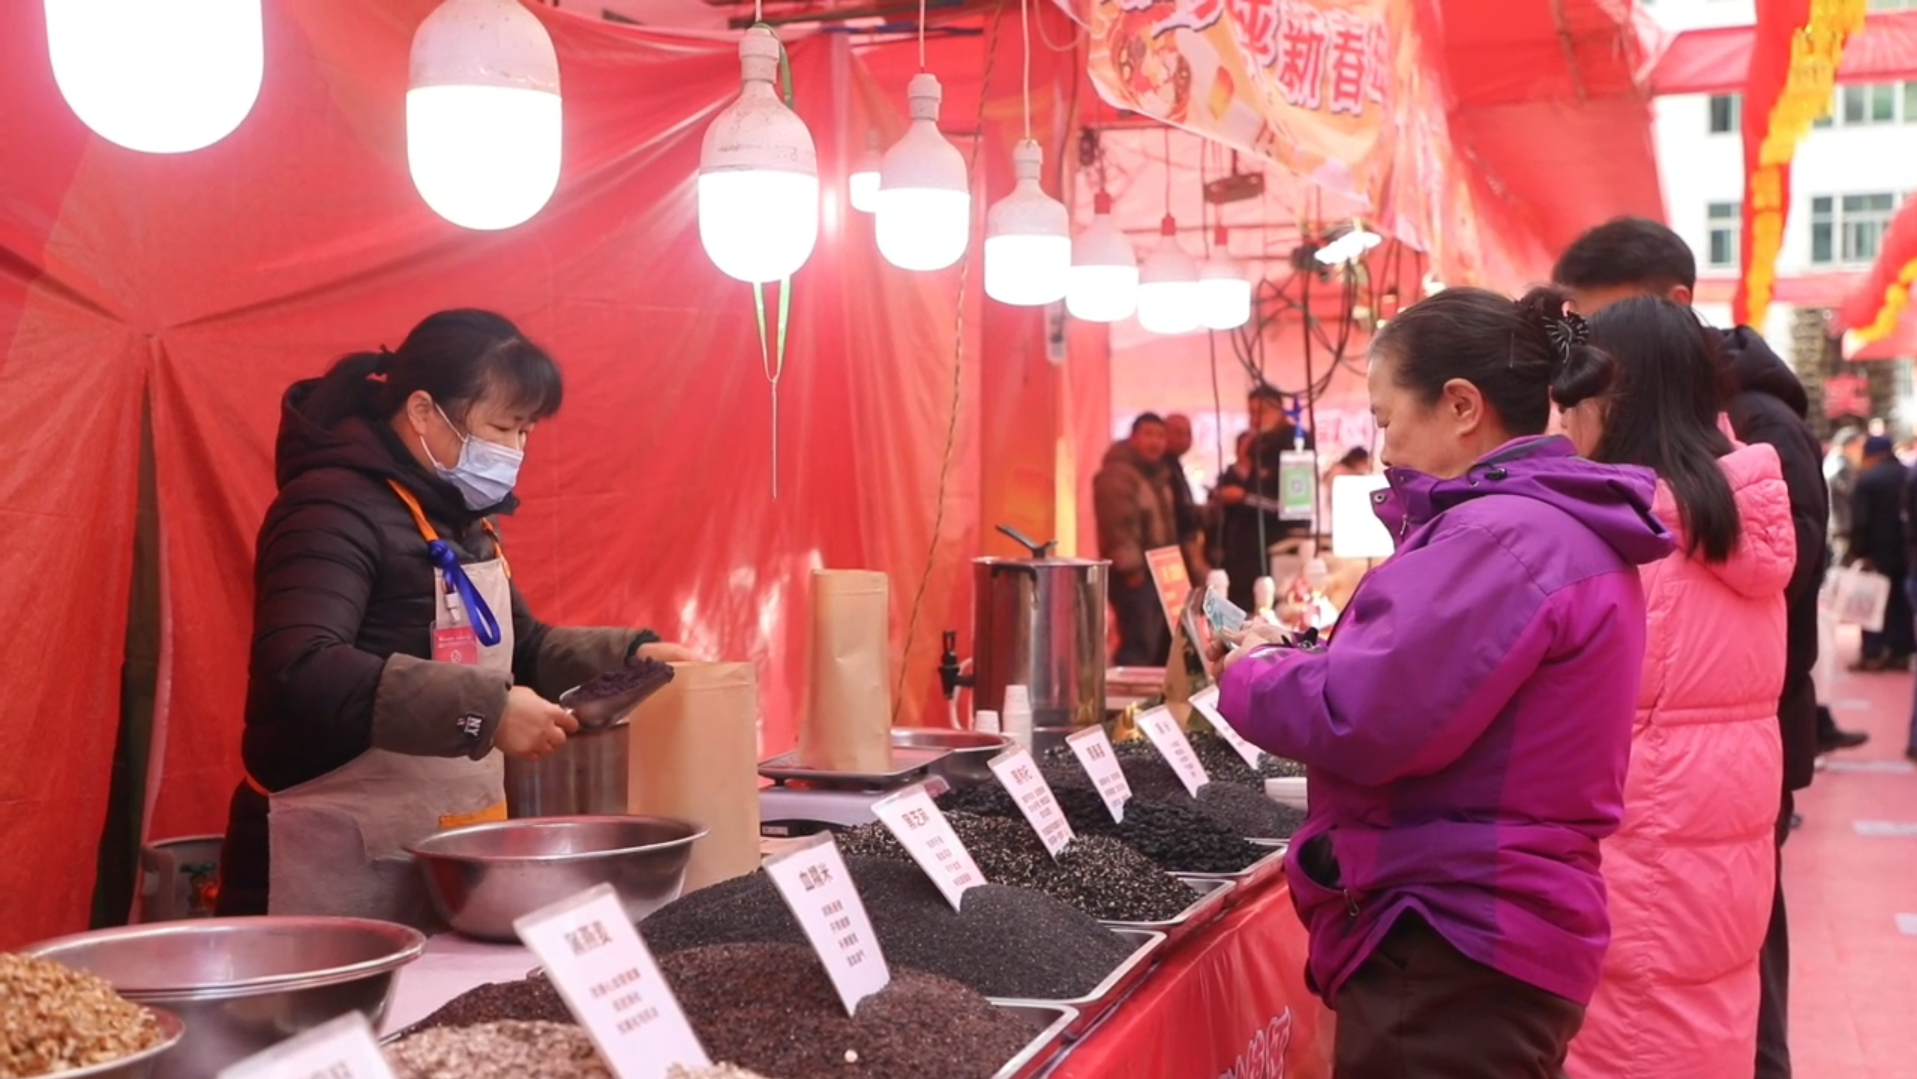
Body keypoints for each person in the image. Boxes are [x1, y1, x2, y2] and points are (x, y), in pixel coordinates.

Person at [1210, 287, 1673, 1078]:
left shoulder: (1500, 535)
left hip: (1451, 931)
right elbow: (1424, 683)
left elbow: (1366, 715)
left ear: (1460, 405)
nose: (1383, 447)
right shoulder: (1544, 525)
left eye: (1386, 418)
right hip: (1491, 924)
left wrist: (1252, 672)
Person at [217, 310, 699, 923]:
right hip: (325, 861)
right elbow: (300, 666)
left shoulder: (464, 517)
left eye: (525, 431)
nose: (514, 451)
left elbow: (521, 646)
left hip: (450, 853)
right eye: (501, 427)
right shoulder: (327, 509)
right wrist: (487, 710)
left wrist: (631, 658)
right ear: (422, 411)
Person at [1554, 217, 1829, 1079]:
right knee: (1708, 1016)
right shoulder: (1735, 513)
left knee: (1635, 1032)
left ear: (1617, 401)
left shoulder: (1636, 538)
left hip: (1638, 850)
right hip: (1720, 840)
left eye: (1578, 398)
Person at [1215, 386, 1314, 613]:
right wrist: (1241, 465)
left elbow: (1291, 505)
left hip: (1277, 545)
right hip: (1243, 550)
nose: (1255, 419)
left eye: (1262, 412)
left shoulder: (1295, 441)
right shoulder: (1253, 442)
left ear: (1279, 410)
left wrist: (1245, 497)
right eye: (1251, 413)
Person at [1094, 413, 1178, 666]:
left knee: (1156, 646)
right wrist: (1130, 568)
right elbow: (1116, 524)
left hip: (1158, 571)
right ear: (1133, 437)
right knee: (1138, 646)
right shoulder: (1118, 474)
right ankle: (1129, 692)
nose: (1155, 442)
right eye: (1148, 434)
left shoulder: (1155, 474)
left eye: (1160, 435)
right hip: (1134, 575)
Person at [1847, 434, 1911, 671]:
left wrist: (1858, 551)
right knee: (1901, 603)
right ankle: (1901, 651)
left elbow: (1861, 521)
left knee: (1871, 602)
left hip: (1876, 552)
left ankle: (1873, 652)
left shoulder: (1868, 480)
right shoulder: (1908, 474)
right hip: (1905, 551)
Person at [1163, 414, 1211, 579]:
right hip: (1171, 546)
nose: (1184, 439)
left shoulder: (1174, 464)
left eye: (1188, 434)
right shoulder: (1161, 467)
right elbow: (1179, 510)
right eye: (1178, 433)